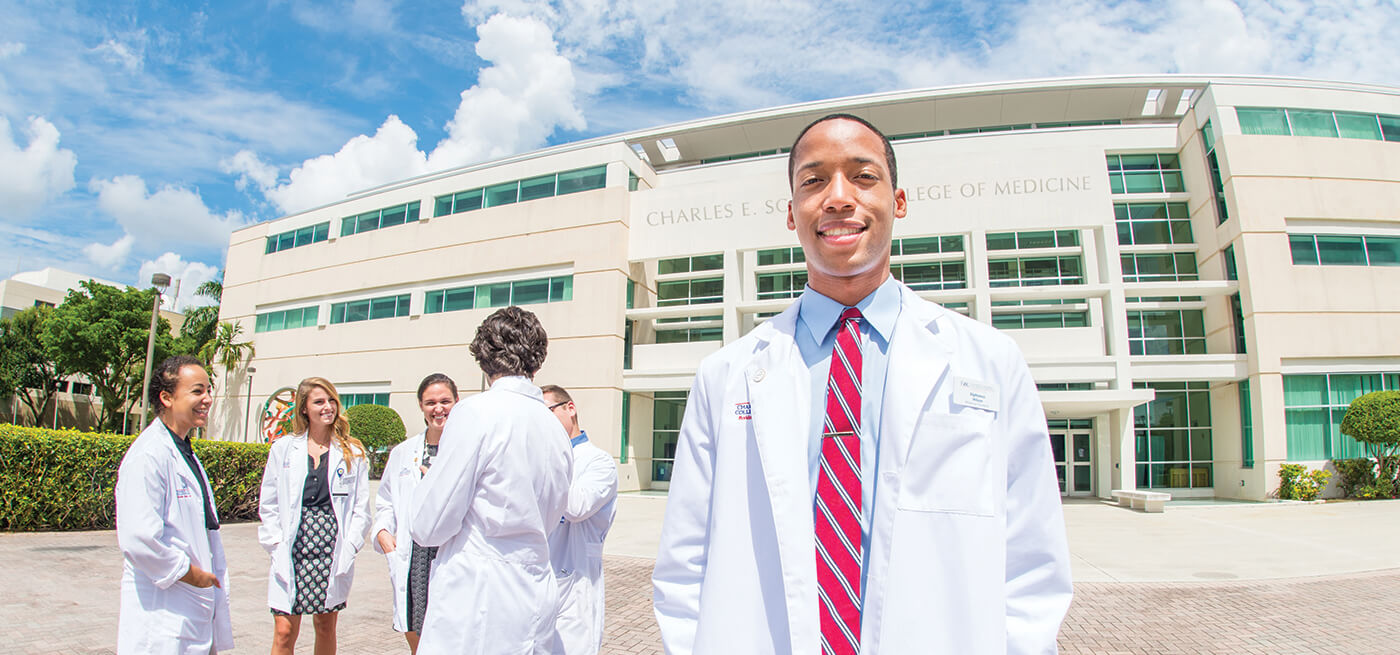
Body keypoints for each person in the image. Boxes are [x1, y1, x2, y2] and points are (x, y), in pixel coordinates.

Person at [652, 114, 1073, 655]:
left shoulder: (990, 361)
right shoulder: (725, 375)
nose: (837, 197)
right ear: (791, 212)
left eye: (863, 176)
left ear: (898, 201)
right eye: (813, 181)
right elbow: (685, 564)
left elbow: (1032, 558)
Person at [410, 306, 573, 655]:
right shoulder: (555, 428)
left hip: (478, 594)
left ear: (483, 357)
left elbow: (429, 526)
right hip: (536, 586)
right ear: (537, 360)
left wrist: (428, 484)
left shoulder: (476, 413)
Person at [115, 355, 234, 654]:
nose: (207, 399)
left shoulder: (183, 451)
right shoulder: (148, 455)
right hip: (163, 613)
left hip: (189, 611)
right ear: (166, 398)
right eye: (197, 391)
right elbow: (138, 539)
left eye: (209, 390)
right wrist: (192, 575)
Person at [258, 376, 372, 655]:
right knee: (284, 630)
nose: (328, 407)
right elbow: (269, 502)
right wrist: (274, 542)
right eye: (319, 402)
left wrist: (351, 545)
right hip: (293, 546)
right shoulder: (284, 448)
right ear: (304, 409)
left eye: (331, 400)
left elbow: (361, 508)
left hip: (330, 548)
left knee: (324, 625)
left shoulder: (352, 452)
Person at [373, 373, 459, 653]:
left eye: (445, 401)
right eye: (431, 402)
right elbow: (386, 500)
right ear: (421, 406)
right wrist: (383, 533)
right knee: (415, 631)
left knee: (451, 636)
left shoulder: (465, 451)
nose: (438, 408)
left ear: (457, 402)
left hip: (452, 552)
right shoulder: (403, 452)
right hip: (415, 557)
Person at [541, 385, 619, 655]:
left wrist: (545, 461)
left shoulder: (599, 462)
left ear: (570, 408)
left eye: (547, 412)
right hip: (537, 578)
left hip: (575, 580)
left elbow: (576, 507)